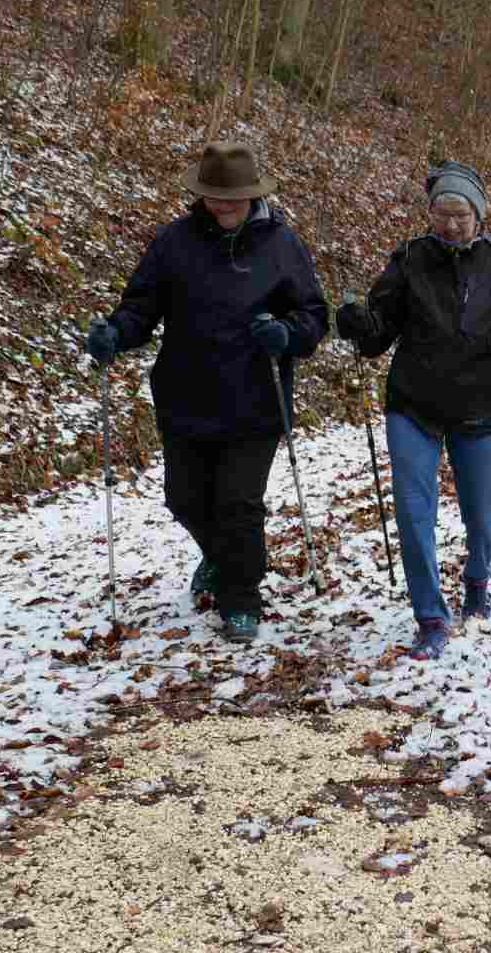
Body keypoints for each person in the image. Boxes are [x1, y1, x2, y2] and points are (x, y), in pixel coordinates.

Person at [85, 143, 328, 644]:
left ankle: (241, 599)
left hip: (255, 399)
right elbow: (141, 306)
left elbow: (313, 315)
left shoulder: (281, 244)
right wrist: (115, 332)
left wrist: (285, 334)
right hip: (186, 395)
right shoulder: (175, 242)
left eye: (232, 200)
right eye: (214, 198)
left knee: (238, 503)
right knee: (185, 498)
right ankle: (219, 558)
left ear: (251, 196)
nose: (222, 208)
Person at [334, 161, 491, 662]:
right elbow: (378, 333)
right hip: (414, 405)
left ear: (479, 216)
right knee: (413, 512)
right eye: (441, 213)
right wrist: (359, 323)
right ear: (429, 213)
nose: (450, 224)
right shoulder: (409, 260)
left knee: (483, 514)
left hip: (481, 405)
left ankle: (477, 581)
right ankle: (430, 617)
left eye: (461, 215)